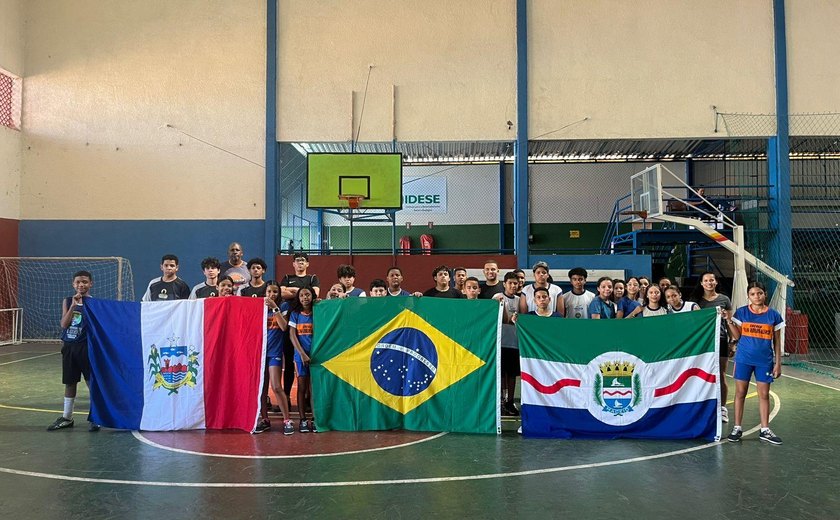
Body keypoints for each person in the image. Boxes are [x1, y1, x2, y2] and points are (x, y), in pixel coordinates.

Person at [725, 281, 784, 445]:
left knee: (764, 395)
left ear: (765, 294)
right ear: (748, 296)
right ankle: (737, 427)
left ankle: (765, 429)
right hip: (744, 359)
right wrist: (729, 320)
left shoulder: (773, 315)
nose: (756, 296)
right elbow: (737, 337)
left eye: (759, 293)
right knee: (740, 393)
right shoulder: (742, 313)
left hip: (764, 361)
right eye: (752, 294)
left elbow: (778, 342)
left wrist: (777, 363)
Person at [48, 271, 99, 432]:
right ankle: (67, 417)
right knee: (70, 382)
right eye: (78, 282)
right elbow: (64, 324)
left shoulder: (95, 303)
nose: (81, 285)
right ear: (73, 284)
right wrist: (73, 306)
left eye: (84, 282)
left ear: (90, 284)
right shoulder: (68, 301)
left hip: (86, 347)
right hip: (69, 347)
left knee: (91, 382)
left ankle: (96, 417)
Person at [693, 272, 734, 423]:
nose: (709, 282)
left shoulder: (724, 299)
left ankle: (722, 408)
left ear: (716, 282)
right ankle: (702, 407)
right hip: (702, 343)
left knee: (721, 374)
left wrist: (732, 342)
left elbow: (729, 322)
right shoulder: (695, 301)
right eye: (706, 280)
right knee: (700, 375)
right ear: (701, 283)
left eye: (712, 280)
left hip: (721, 340)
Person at [254, 282, 294, 435]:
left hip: (275, 353)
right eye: (269, 291)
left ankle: (287, 420)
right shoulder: (259, 307)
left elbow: (284, 327)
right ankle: (265, 419)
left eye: (275, 292)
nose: (272, 294)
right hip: (261, 353)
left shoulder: (282, 307)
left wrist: (274, 308)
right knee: (262, 390)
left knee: (276, 386)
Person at [289, 286, 317, 433]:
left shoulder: (318, 312)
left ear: (312, 296)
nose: (305, 297)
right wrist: (302, 354)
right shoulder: (295, 314)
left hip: (316, 356)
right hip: (300, 357)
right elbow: (292, 336)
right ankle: (302, 419)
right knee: (302, 387)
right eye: (301, 295)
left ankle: (315, 419)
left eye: (307, 294)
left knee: (314, 389)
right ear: (298, 298)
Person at [494, 272, 522, 417]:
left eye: (515, 283)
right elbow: (503, 320)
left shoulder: (520, 300)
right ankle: (500, 401)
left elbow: (523, 319)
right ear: (504, 284)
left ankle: (510, 401)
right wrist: (503, 307)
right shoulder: (497, 297)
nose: (513, 285)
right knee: (500, 374)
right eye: (510, 283)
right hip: (499, 343)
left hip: (514, 343)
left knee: (512, 375)